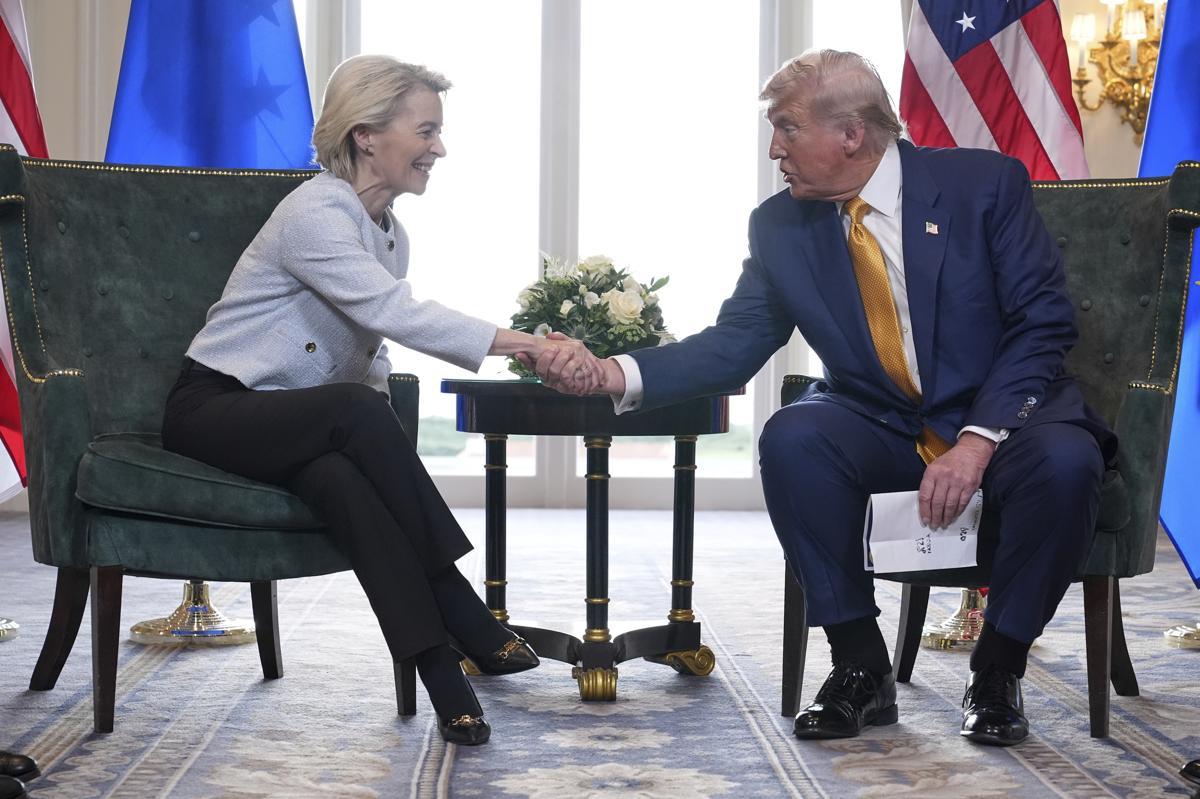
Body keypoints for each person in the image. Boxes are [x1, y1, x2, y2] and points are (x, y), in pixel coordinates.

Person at [530, 49, 1114, 747]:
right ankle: (860, 667)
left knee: (1068, 462)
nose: (774, 149)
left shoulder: (983, 185)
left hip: (1005, 421)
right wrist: (609, 372)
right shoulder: (780, 226)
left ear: (851, 134)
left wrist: (975, 441)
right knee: (793, 436)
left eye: (786, 128)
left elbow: (1042, 323)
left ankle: (997, 668)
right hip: (884, 423)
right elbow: (735, 343)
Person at [163, 55, 592, 745]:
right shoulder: (316, 210)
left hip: (298, 423)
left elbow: (369, 353)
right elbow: (394, 313)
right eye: (426, 130)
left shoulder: (391, 233)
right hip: (215, 409)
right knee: (357, 411)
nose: (439, 148)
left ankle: (446, 682)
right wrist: (528, 345)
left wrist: (380, 454)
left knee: (346, 484)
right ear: (365, 134)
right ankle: (466, 611)